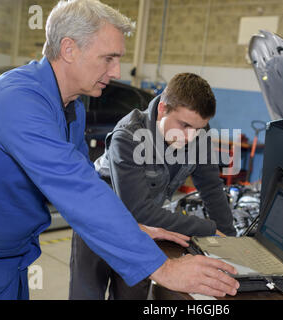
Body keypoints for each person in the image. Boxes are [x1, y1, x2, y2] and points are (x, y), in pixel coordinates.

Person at [0, 0, 239, 299]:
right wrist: (163, 267)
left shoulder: (71, 107)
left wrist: (136, 229)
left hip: (13, 258)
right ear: (69, 49)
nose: (117, 71)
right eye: (108, 58)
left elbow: (90, 180)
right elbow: (77, 190)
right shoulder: (18, 101)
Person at [70, 73, 237, 299]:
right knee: (88, 294)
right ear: (162, 109)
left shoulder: (198, 133)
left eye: (198, 129)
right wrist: (208, 229)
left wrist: (229, 240)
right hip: (98, 225)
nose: (190, 137)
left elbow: (211, 187)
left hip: (144, 233)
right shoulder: (128, 136)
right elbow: (139, 211)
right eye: (185, 125)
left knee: (132, 295)